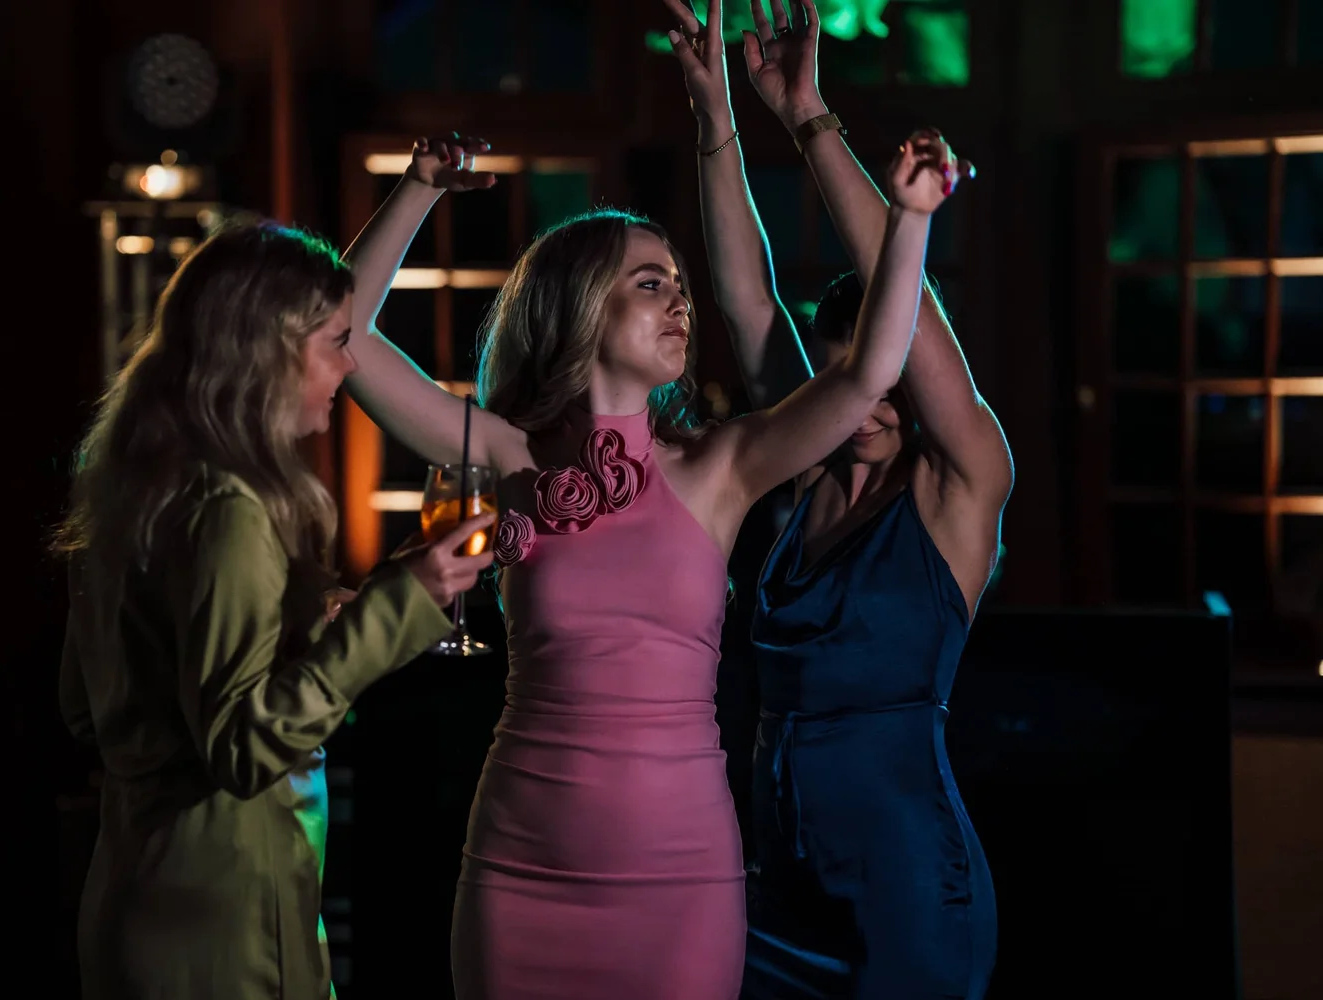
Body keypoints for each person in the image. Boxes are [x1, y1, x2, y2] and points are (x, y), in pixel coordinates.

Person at [338, 106, 963, 999]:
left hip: (680, 879)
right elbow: (348, 340)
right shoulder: (510, 458)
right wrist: (417, 189)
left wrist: (910, 220)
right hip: (520, 870)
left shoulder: (719, 467)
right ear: (581, 306)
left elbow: (868, 372)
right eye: (649, 283)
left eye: (679, 284)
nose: (680, 301)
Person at [662, 0, 1013, 996]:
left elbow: (909, 319)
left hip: (909, 892)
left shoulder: (960, 485)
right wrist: (717, 114)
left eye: (886, 377)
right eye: (842, 374)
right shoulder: (796, 478)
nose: (867, 396)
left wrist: (810, 116)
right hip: (779, 881)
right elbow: (746, 302)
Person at [53, 222, 494, 1000]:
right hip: (228, 917)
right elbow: (244, 746)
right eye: (336, 341)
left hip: (137, 894)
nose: (350, 365)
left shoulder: (132, 486)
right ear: (269, 350)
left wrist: (308, 628)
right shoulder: (227, 509)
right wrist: (401, 607)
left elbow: (87, 708)